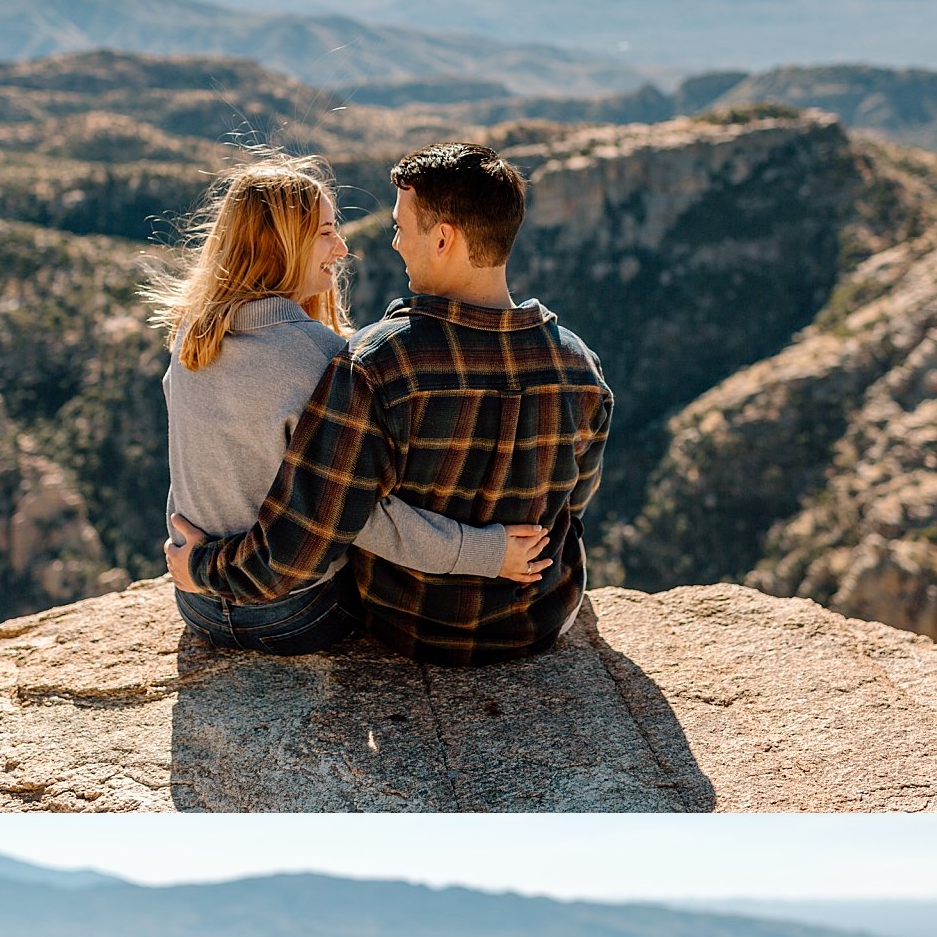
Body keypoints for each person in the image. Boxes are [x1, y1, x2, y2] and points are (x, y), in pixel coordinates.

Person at [165, 142, 613, 667]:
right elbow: (572, 507)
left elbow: (324, 524)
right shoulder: (581, 366)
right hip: (540, 618)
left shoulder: (376, 365)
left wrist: (201, 566)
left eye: (400, 227)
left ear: (443, 237)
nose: (392, 243)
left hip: (406, 623)